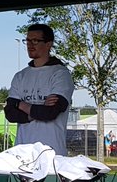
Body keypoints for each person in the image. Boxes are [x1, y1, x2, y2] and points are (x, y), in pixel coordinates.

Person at [4, 24, 73, 155]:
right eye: (28, 40)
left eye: (35, 40)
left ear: (48, 44)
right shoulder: (20, 76)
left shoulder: (61, 74)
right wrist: (35, 110)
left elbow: (50, 113)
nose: (30, 45)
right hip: (21, 154)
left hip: (52, 154)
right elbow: (10, 113)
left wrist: (20, 104)